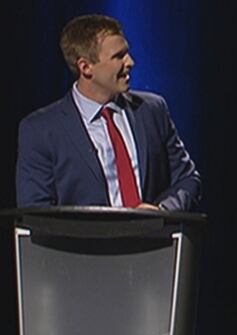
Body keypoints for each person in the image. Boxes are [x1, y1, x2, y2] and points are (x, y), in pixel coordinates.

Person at [16, 14, 200, 211]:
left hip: (154, 239)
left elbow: (187, 179)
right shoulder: (40, 130)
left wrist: (162, 211)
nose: (130, 62)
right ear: (86, 67)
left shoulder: (152, 110)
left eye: (127, 53)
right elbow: (35, 210)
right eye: (118, 56)